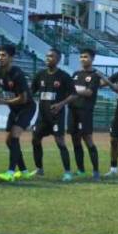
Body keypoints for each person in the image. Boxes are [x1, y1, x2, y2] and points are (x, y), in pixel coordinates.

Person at [0, 44, 36, 182]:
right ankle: (24, 172)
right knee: (9, 141)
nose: (0, 58)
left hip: (26, 108)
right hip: (14, 109)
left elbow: (23, 99)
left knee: (14, 136)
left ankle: (10, 172)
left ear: (11, 58)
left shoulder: (17, 73)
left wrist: (2, 102)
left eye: (3, 55)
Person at [31, 47, 78, 180]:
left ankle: (67, 172)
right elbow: (31, 92)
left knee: (60, 142)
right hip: (42, 116)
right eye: (47, 56)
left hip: (57, 117)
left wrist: (61, 104)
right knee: (35, 139)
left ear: (58, 59)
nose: (48, 58)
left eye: (51, 56)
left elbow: (74, 95)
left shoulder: (63, 76)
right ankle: (39, 169)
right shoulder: (40, 75)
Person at [70, 48, 108, 180]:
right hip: (73, 110)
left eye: (85, 57)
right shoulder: (75, 74)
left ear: (92, 59)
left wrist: (72, 91)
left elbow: (89, 93)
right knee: (75, 140)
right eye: (81, 57)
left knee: (88, 139)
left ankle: (96, 171)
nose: (82, 59)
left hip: (85, 111)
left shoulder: (95, 75)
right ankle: (81, 170)